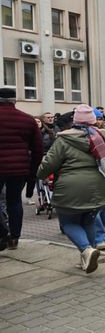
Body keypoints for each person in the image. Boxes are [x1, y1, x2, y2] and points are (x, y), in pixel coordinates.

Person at [37, 104, 105, 273]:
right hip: (100, 187)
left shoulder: (63, 139)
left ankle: (86, 249)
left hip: (70, 188)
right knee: (89, 220)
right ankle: (87, 257)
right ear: (93, 120)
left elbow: (48, 166)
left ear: (75, 121)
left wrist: (39, 173)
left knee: (68, 222)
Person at [0, 87, 43, 250]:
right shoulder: (27, 120)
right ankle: (14, 238)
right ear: (14, 101)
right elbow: (38, 150)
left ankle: (3, 232)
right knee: (14, 201)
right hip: (19, 169)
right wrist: (32, 171)